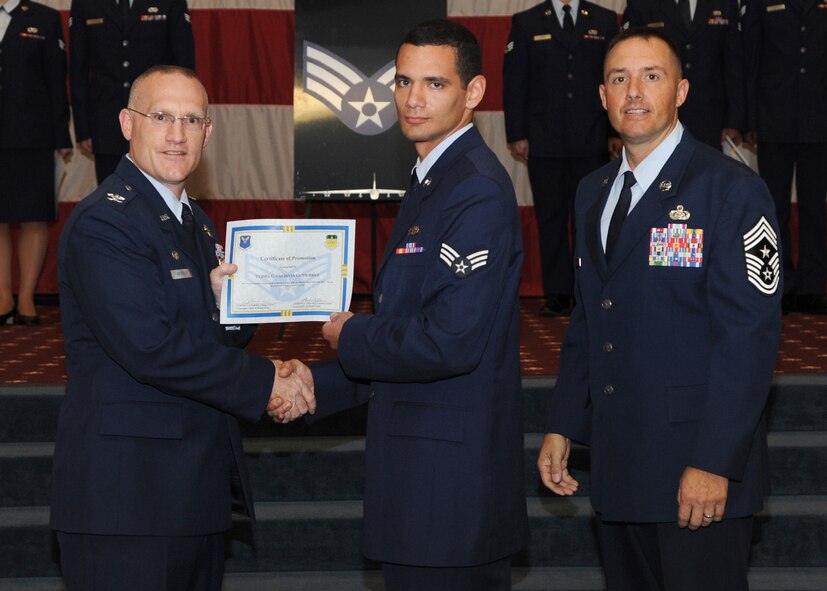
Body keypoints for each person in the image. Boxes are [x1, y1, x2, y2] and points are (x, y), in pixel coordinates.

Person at [284, 19, 529, 591]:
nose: (412, 99)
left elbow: (449, 341)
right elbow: (407, 335)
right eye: (403, 81)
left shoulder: (475, 189)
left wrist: (351, 335)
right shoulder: (432, 180)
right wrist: (317, 384)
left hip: (449, 492)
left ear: (473, 93)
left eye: (435, 84)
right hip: (425, 484)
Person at [51, 65, 314, 591]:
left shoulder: (194, 219)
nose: (177, 134)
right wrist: (267, 382)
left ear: (208, 133)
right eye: (161, 117)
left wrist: (231, 305)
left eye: (191, 120)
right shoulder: (106, 222)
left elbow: (202, 332)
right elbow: (152, 348)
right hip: (127, 502)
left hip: (190, 493)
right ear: (128, 123)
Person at [537, 27, 781, 591]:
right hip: (620, 466)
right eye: (619, 79)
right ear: (602, 96)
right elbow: (588, 316)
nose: (634, 93)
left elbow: (748, 340)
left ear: (682, 90)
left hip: (695, 471)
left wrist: (715, 461)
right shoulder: (591, 191)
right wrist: (565, 422)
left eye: (652, 76)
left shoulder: (731, 191)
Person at [503, 0, 620, 316]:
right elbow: (515, 81)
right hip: (544, 140)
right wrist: (517, 133)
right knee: (551, 219)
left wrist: (614, 131)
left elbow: (614, 79)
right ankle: (557, 292)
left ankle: (589, 288)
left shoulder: (604, 19)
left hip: (592, 138)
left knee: (590, 220)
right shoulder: (526, 21)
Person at [743, 0, 827, 313]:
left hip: (818, 120)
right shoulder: (760, 4)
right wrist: (750, 121)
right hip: (772, 120)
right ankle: (776, 284)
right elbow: (750, 61)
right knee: (772, 209)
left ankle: (811, 287)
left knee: (814, 209)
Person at [0, 0, 72, 325]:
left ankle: (26, 297)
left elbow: (57, 78)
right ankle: (2, 297)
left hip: (33, 136)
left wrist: (61, 135)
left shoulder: (44, 18)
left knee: (33, 218)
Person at [69, 0, 195, 184]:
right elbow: (77, 70)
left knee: (160, 198)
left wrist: (185, 122)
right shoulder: (85, 3)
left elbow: (185, 67)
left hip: (159, 121)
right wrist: (83, 128)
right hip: (106, 122)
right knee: (112, 199)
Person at [623, 0, 746, 150]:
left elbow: (733, 64)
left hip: (709, 117)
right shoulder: (641, 4)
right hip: (657, 115)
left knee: (706, 170)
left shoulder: (725, 3)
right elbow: (630, 60)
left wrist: (733, 121)